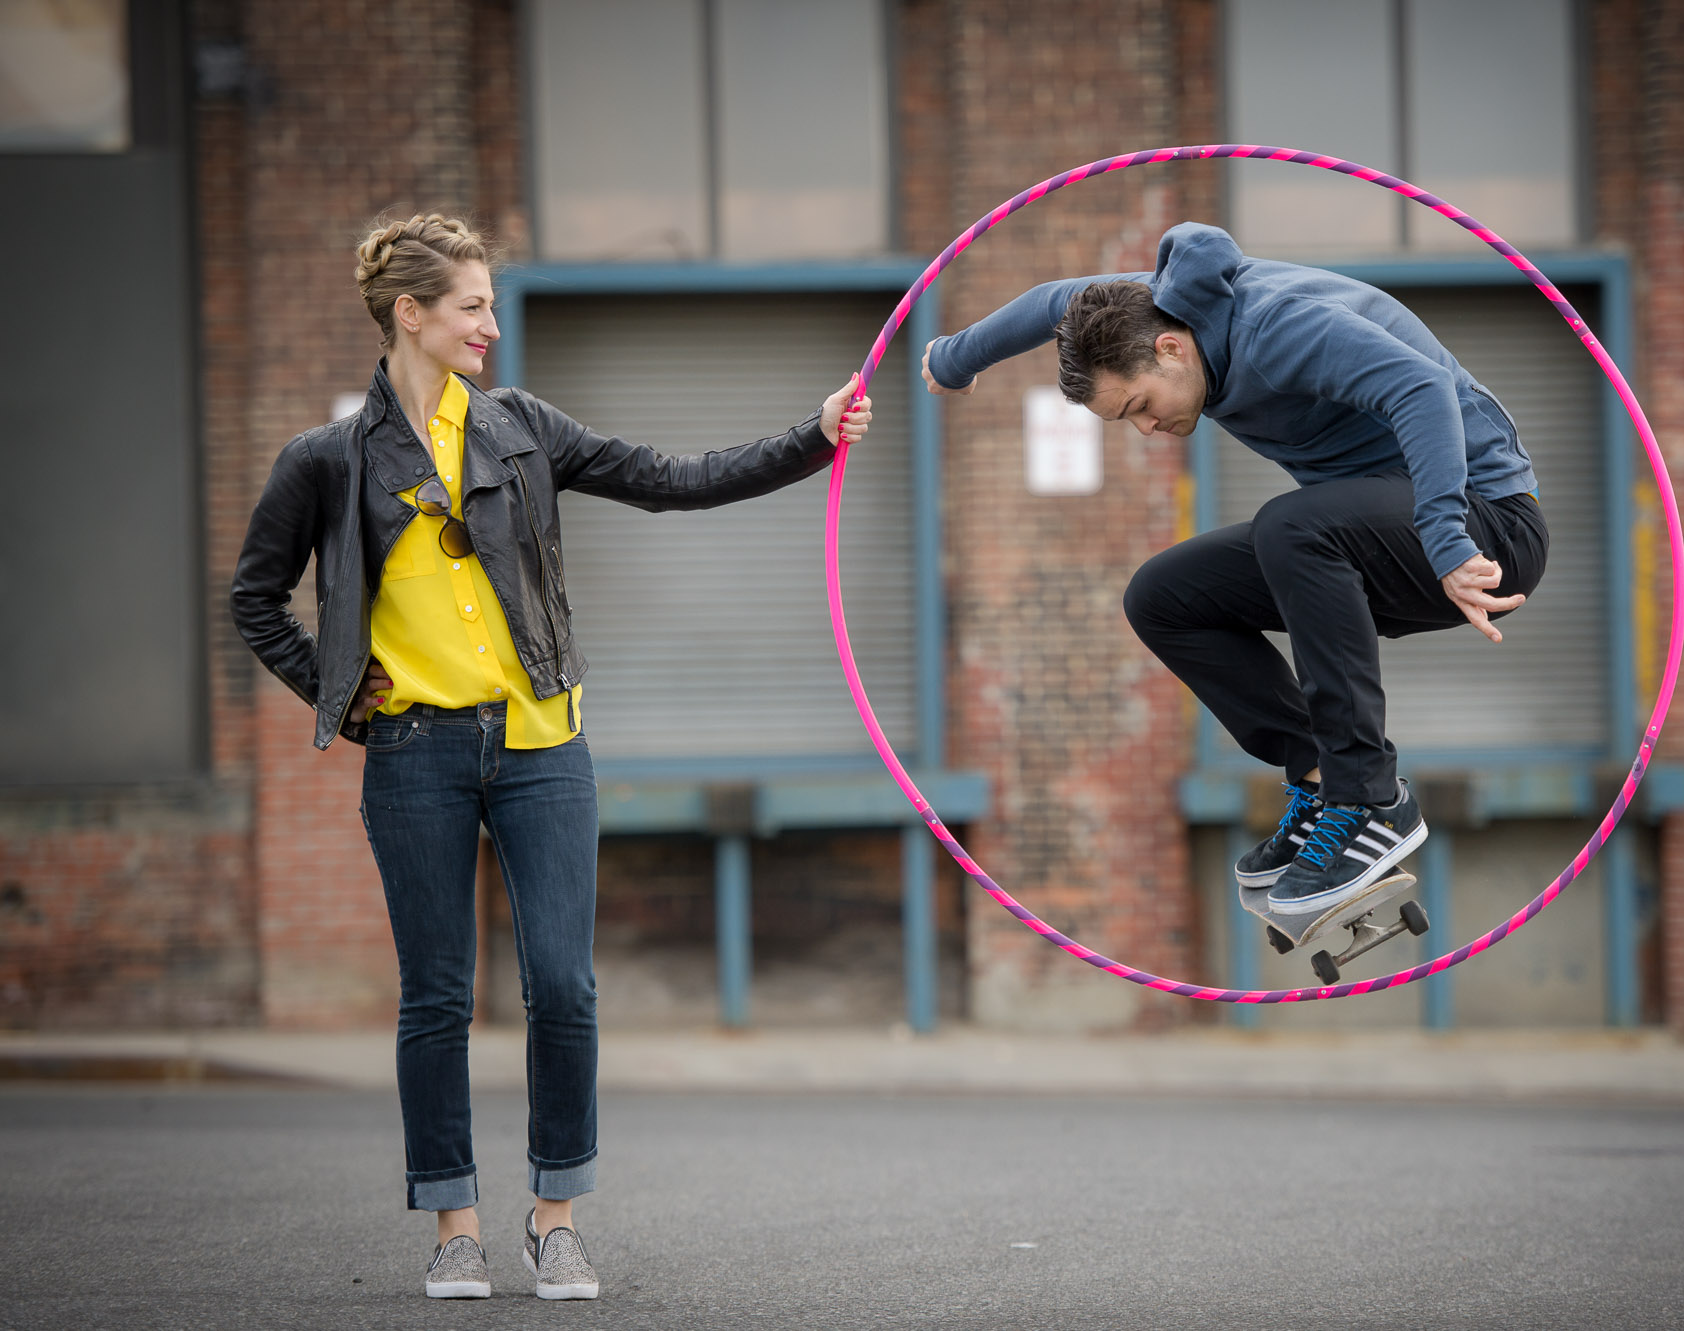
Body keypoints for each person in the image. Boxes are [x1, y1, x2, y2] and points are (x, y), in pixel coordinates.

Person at [232, 213, 871, 1300]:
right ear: (411, 315)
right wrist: (342, 699)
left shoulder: (523, 427)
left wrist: (809, 435)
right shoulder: (327, 461)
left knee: (565, 986)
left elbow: (677, 478)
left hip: (543, 742)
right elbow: (254, 600)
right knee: (435, 995)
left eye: (488, 303)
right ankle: (453, 1230)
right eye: (471, 306)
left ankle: (555, 1219)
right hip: (416, 751)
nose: (489, 323)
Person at [923, 221, 1545, 919]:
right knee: (1161, 596)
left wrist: (1447, 537)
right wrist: (953, 360)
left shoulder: (1273, 327)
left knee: (1293, 523)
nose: (1148, 431)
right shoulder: (1138, 307)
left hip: (1486, 529)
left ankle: (1367, 797)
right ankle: (1316, 773)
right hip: (1369, 543)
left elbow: (1422, 387)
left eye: (1140, 407)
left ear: (1171, 348)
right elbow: (1044, 306)